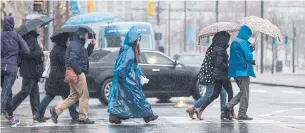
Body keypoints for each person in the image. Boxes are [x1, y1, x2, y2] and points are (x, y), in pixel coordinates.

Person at [108, 26, 158, 124]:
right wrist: (123, 77)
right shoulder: (130, 51)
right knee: (138, 97)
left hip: (126, 78)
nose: (139, 41)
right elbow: (124, 65)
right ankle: (148, 115)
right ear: (134, 39)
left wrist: (140, 74)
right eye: (138, 39)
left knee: (120, 97)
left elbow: (132, 65)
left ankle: (114, 116)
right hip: (128, 79)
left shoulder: (127, 49)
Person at [34, 33, 88, 122]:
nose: (68, 40)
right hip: (59, 79)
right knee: (65, 96)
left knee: (57, 96)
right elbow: (65, 61)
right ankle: (73, 115)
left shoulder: (56, 48)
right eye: (67, 39)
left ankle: (39, 114)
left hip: (54, 78)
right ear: (63, 40)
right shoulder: (61, 50)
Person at [50, 28, 95, 124]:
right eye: (86, 34)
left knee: (73, 97)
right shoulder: (76, 45)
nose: (88, 36)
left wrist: (91, 46)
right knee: (84, 96)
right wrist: (79, 72)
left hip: (73, 73)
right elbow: (72, 60)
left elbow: (84, 56)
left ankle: (56, 111)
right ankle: (83, 117)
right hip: (77, 74)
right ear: (82, 35)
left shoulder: (77, 44)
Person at [186, 31, 234, 120]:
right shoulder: (218, 49)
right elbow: (218, 64)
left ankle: (222, 112)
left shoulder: (214, 47)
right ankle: (193, 108)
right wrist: (227, 66)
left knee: (222, 93)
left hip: (215, 74)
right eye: (227, 39)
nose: (228, 41)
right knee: (209, 94)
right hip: (212, 75)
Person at [12, 27, 49, 119]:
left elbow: (32, 52)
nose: (40, 29)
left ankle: (37, 115)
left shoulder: (33, 38)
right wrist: (42, 53)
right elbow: (27, 54)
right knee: (25, 91)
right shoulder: (29, 38)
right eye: (38, 27)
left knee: (34, 93)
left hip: (33, 71)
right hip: (28, 70)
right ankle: (8, 108)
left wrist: (40, 49)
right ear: (34, 28)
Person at [1, 16, 29, 127]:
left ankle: (11, 118)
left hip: (1, 68)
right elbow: (26, 50)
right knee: (5, 93)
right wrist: (17, 51)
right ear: (12, 24)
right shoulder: (16, 36)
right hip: (11, 68)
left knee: (7, 93)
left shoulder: (0, 35)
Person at [223, 25, 256, 120]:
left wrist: (251, 48)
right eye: (249, 34)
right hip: (243, 71)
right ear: (246, 33)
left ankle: (229, 106)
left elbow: (240, 55)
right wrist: (252, 48)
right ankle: (240, 112)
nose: (249, 37)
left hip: (235, 71)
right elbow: (248, 57)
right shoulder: (243, 42)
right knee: (245, 94)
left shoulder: (235, 41)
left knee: (243, 92)